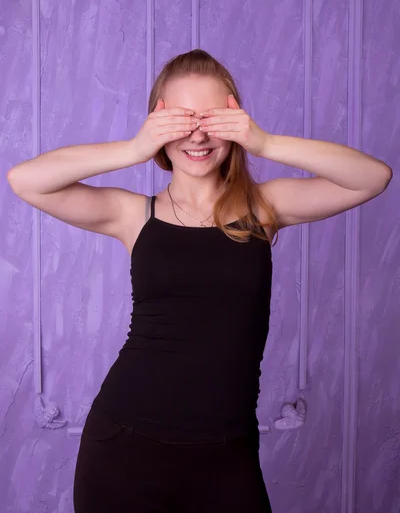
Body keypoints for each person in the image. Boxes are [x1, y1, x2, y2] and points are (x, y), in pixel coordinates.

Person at [7, 49, 391, 513]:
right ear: (157, 126)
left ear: (234, 122)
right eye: (181, 121)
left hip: (226, 454)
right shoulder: (134, 213)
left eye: (211, 119)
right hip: (125, 445)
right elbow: (26, 180)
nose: (197, 135)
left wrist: (264, 142)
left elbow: (372, 178)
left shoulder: (264, 208)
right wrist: (132, 148)